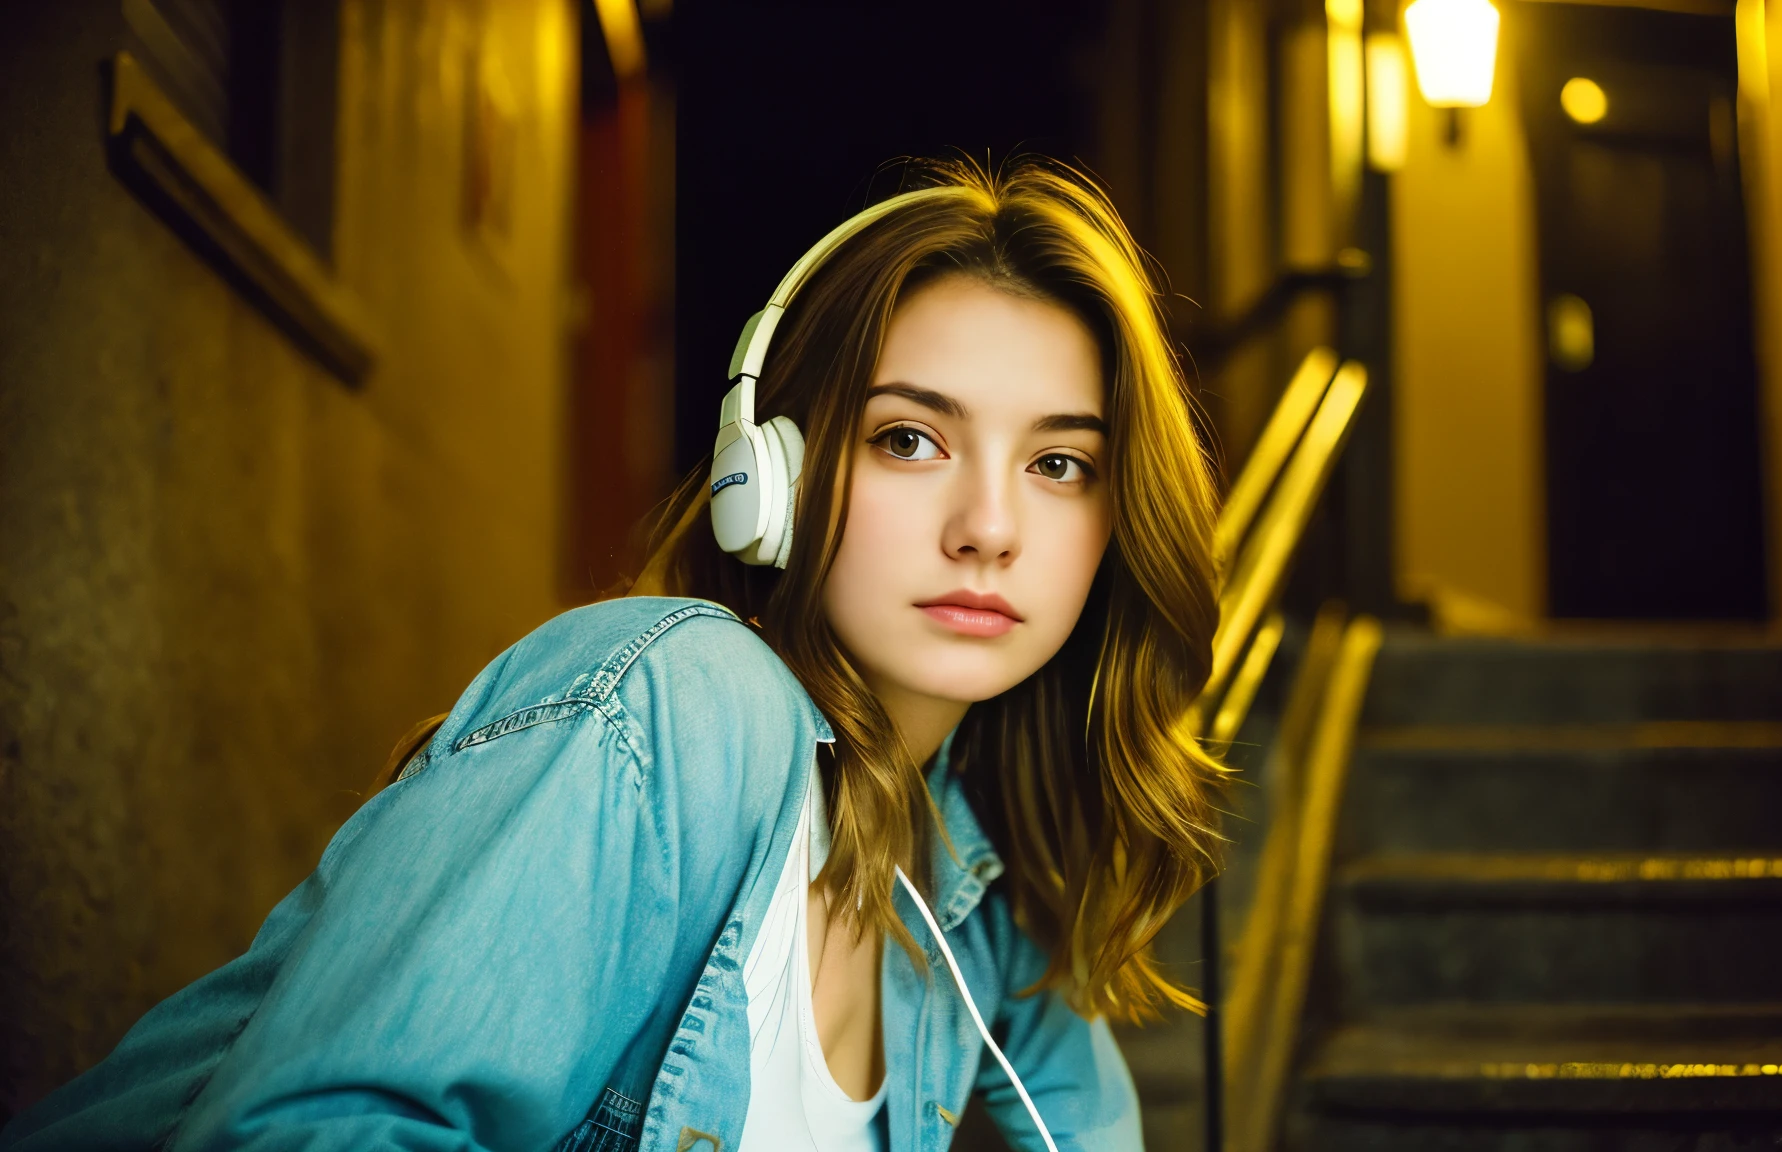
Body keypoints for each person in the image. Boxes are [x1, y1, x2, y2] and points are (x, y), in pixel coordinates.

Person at [1, 157, 1225, 1152]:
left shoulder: (963, 884)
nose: (989, 529)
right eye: (908, 439)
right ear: (773, 481)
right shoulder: (679, 702)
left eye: (1058, 464)